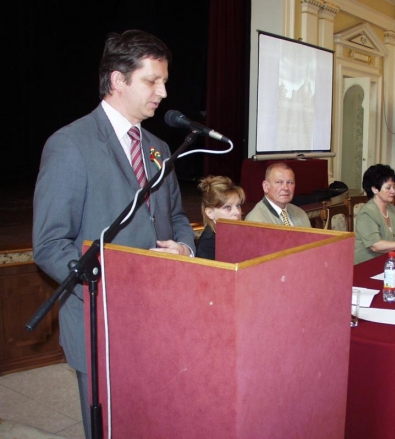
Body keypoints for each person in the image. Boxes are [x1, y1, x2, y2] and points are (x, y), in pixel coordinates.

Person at [32, 30, 196, 439]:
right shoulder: (70, 144)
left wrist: (184, 248)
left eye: (164, 81)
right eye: (152, 80)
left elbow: (177, 217)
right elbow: (50, 244)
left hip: (159, 315)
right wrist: (108, 281)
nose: (163, 92)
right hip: (101, 320)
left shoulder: (159, 148)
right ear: (118, 80)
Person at [245, 162, 311, 227]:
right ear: (265, 186)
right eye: (279, 182)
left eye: (290, 182)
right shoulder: (256, 221)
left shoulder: (300, 213)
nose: (286, 188)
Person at [196, 176, 245, 260]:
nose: (237, 212)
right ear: (210, 213)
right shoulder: (208, 245)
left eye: (238, 205)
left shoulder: (239, 232)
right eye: (228, 207)